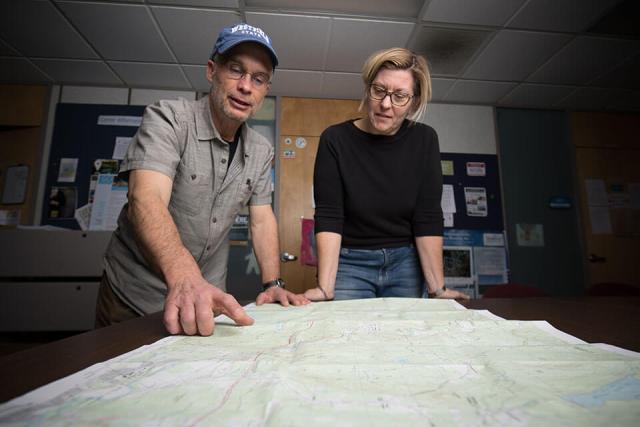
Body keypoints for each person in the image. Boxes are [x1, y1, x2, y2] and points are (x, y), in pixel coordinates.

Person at [96, 23, 309, 336]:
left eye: (259, 79)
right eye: (236, 70)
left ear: (264, 90)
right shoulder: (167, 119)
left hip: (204, 299)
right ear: (212, 71)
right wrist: (185, 279)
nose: (246, 86)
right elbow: (146, 198)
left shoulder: (262, 151)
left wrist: (273, 284)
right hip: (132, 294)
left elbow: (262, 220)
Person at [304, 47, 469, 302]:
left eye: (400, 96)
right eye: (379, 90)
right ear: (368, 89)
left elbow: (427, 216)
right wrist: (326, 287)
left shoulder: (424, 140)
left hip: (405, 262)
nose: (385, 104)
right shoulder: (334, 139)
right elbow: (329, 215)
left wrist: (438, 289)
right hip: (351, 262)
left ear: (413, 102)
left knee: (403, 338)